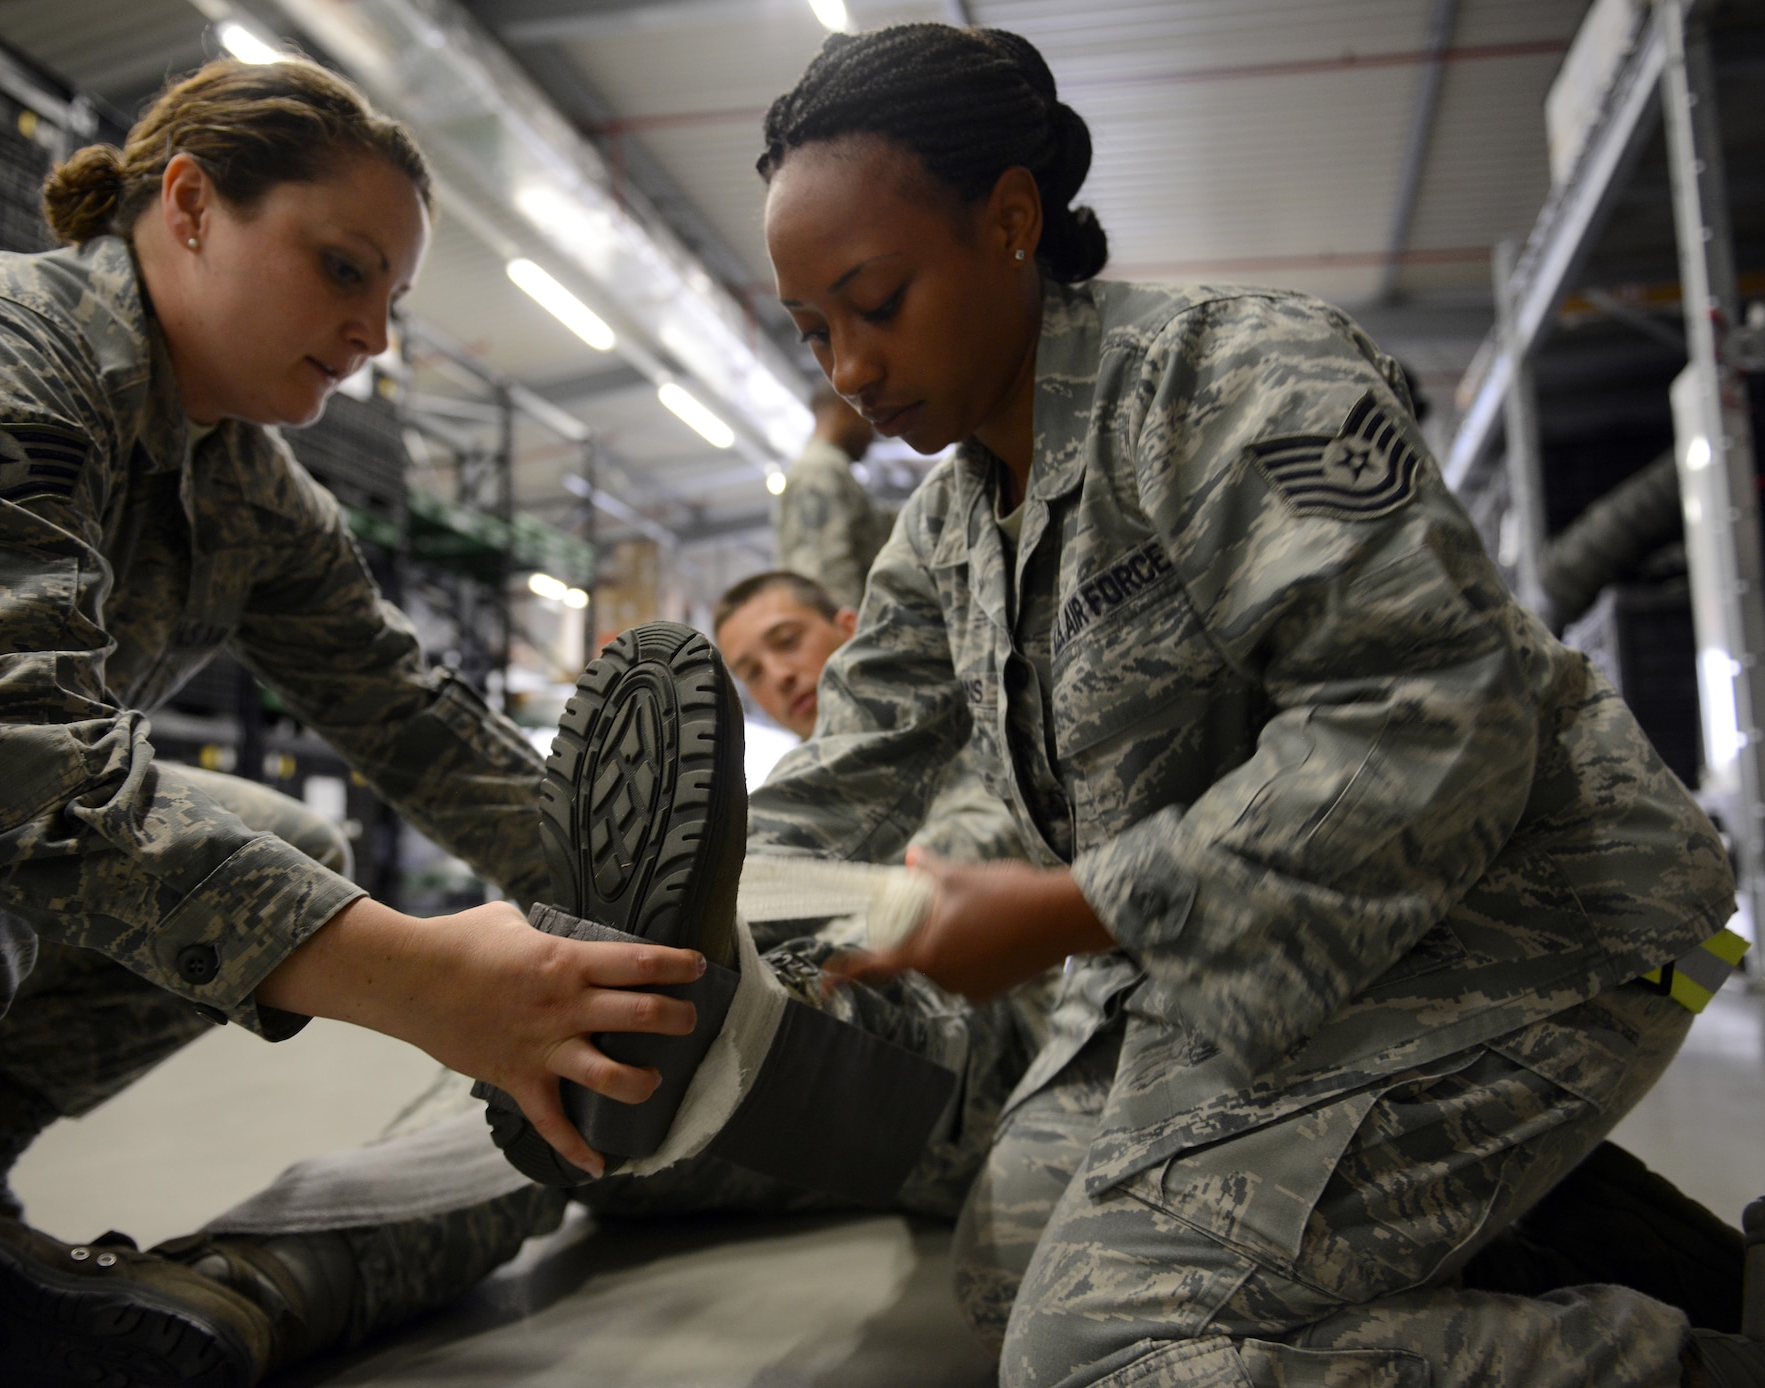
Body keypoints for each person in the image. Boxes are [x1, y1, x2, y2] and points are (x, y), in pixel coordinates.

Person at [739, 21, 1755, 1388]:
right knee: (1016, 1251)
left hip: (1520, 912)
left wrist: (1077, 909)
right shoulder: (949, 529)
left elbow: (1435, 716)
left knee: (1105, 1349)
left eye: (877, 302)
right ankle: (1615, 1246)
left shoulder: (1230, 381)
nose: (850, 371)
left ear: (1011, 220)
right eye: (816, 332)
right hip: (1265, 958)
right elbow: (846, 771)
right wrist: (692, 928)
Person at [0, 55, 710, 1262]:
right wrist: (421, 978)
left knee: (285, 845)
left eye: (392, 300)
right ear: (193, 204)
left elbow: (407, 713)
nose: (371, 333)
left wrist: (643, 916)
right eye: (341, 268)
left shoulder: (247, 486)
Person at [714, 568, 1026, 864]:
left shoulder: (943, 714)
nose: (779, 676)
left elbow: (1002, 826)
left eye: (787, 641)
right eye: (753, 673)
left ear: (850, 628)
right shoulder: (791, 796)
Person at [774, 381, 886, 613]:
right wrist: (845, 638)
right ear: (845, 409)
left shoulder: (831, 470)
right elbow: (827, 571)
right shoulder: (819, 471)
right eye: (868, 419)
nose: (873, 432)